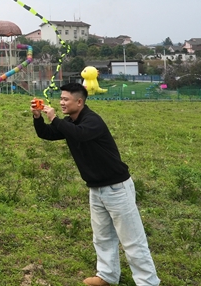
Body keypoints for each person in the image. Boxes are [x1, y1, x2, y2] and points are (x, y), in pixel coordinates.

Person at [31, 83, 159, 286]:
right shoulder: (70, 122)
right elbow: (47, 134)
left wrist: (54, 118)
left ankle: (147, 282)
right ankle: (107, 276)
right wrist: (38, 117)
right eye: (61, 99)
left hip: (117, 187)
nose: (61, 102)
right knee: (102, 237)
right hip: (96, 188)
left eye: (66, 99)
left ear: (79, 102)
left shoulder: (92, 121)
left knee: (133, 241)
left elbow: (79, 134)